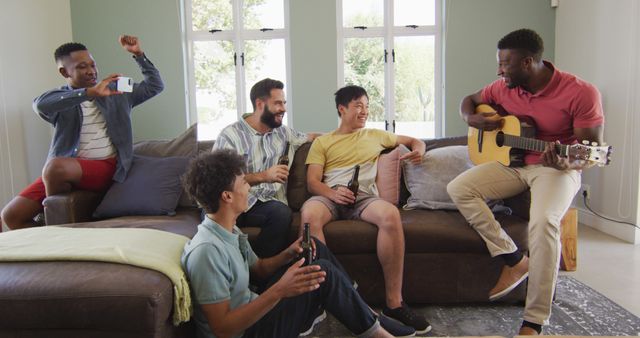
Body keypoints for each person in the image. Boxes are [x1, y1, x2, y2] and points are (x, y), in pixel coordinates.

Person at [447, 28, 604, 335]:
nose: (499, 70)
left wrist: (568, 160)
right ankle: (514, 258)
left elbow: (592, 152)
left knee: (544, 221)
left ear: (528, 63)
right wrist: (471, 118)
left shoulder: (581, 92)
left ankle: (534, 320)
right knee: (459, 188)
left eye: (505, 64)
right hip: (513, 165)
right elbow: (469, 100)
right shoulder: (503, 88)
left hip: (556, 168)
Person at [181, 149, 417, 338]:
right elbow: (223, 329)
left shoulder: (228, 229)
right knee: (323, 272)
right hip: (248, 332)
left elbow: (259, 268)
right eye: (244, 183)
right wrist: (279, 290)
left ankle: (368, 317)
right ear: (227, 196)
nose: (249, 187)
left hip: (253, 314)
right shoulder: (207, 252)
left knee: (315, 249)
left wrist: (289, 254)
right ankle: (376, 330)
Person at [300, 85, 432, 334]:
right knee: (308, 216)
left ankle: (394, 304)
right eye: (358, 105)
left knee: (391, 214)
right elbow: (312, 182)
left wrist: (419, 151)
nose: (365, 111)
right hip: (330, 196)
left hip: (363, 198)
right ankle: (319, 296)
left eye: (367, 106)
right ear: (342, 109)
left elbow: (414, 141)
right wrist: (332, 193)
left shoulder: (376, 135)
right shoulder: (324, 142)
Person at [0, 35, 163, 230]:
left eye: (92, 65)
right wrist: (88, 93)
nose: (91, 71)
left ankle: (56, 225)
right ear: (64, 72)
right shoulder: (61, 97)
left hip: (105, 166)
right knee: (11, 216)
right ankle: (54, 243)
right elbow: (40, 105)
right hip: (64, 171)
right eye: (81, 67)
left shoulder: (116, 88)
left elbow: (155, 86)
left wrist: (138, 54)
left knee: (54, 167)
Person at [212, 78, 320, 258]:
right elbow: (218, 181)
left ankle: (261, 275)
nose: (284, 109)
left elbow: (312, 137)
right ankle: (231, 270)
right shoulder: (230, 136)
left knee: (282, 214)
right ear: (260, 104)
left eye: (284, 103)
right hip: (233, 198)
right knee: (212, 216)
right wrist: (263, 176)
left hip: (264, 204)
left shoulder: (284, 133)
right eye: (278, 103)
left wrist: (346, 135)